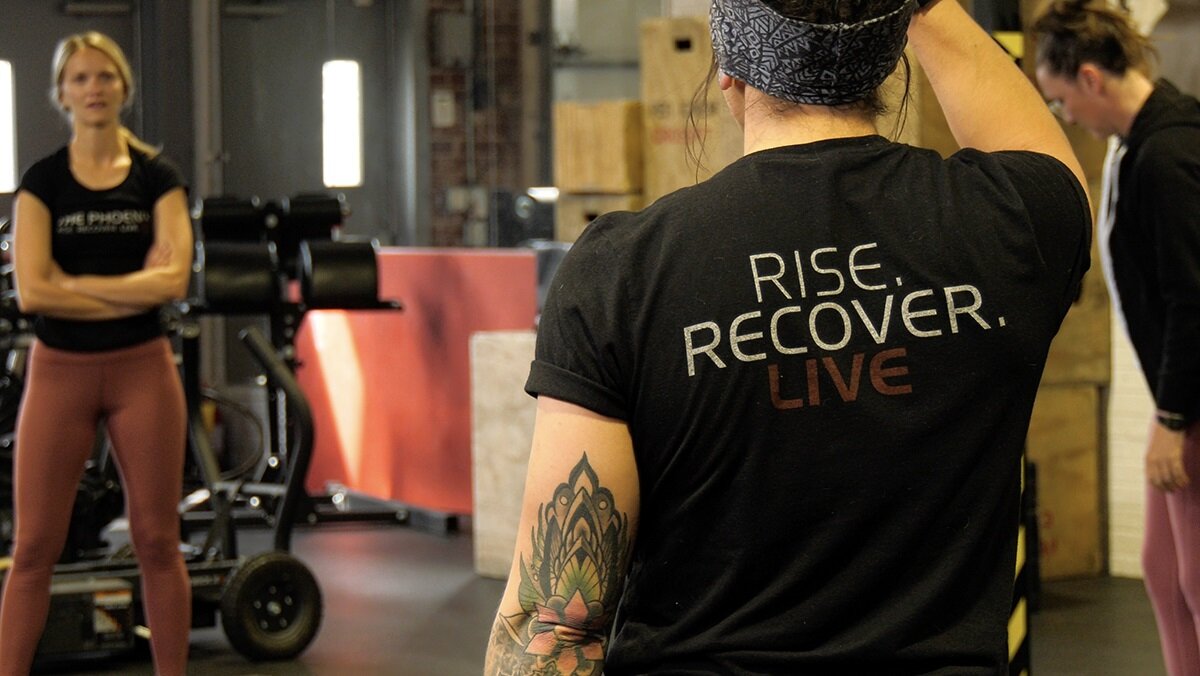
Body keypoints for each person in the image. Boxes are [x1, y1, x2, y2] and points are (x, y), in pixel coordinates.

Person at [484, 0, 1091, 672]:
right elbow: (1044, 158)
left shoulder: (620, 272)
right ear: (892, 59)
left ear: (728, 67)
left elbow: (556, 623)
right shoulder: (1012, 224)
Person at [1, 31, 193, 675]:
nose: (93, 89)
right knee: (33, 547)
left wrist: (73, 285)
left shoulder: (158, 177)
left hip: (143, 369)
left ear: (123, 88)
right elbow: (33, 292)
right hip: (60, 373)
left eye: (104, 77)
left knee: (158, 541)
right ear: (61, 93)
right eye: (80, 79)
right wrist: (131, 286)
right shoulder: (43, 182)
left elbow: (173, 282)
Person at [1033, 3, 1200, 674]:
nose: (1066, 115)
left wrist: (1173, 418)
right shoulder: (1139, 145)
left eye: (1061, 100)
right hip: (1176, 396)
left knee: (1196, 578)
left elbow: (1194, 299)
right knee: (1162, 569)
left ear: (1091, 79)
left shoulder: (1167, 155)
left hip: (1189, 403)